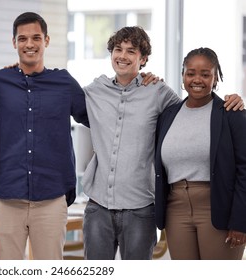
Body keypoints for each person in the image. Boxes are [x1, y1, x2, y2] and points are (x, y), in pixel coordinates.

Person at [82, 26, 243, 260]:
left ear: (143, 58)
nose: (123, 56)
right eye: (118, 49)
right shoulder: (94, 91)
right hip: (113, 205)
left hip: (150, 206)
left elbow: (198, 108)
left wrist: (235, 99)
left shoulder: (160, 93)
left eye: (131, 51)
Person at [0, 11, 89, 260]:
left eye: (35, 38)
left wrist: (138, 84)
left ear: (46, 40)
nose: (29, 44)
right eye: (22, 39)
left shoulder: (64, 83)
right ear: (14, 43)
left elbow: (96, 119)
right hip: (6, 197)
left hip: (51, 198)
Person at [154, 47, 246, 259]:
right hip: (175, 208)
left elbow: (244, 170)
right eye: (191, 73)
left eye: (205, 74)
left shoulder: (231, 113)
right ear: (183, 76)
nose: (197, 79)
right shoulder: (168, 116)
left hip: (218, 207)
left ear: (215, 78)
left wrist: (241, 221)